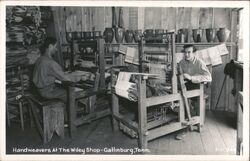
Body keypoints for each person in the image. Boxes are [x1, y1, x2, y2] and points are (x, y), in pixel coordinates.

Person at [176, 44, 212, 140]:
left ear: (194, 53)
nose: (187, 54)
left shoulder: (199, 63)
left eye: (189, 52)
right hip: (185, 86)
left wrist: (191, 77)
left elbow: (209, 77)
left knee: (183, 98)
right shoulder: (182, 63)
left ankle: (186, 125)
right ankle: (185, 120)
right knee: (178, 96)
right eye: (185, 52)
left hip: (197, 86)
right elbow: (179, 74)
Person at [33, 37, 70, 102]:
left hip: (39, 91)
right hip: (47, 92)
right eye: (55, 47)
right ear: (50, 46)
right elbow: (65, 79)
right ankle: (71, 112)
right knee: (69, 94)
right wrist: (80, 77)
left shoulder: (40, 59)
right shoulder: (51, 63)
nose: (56, 49)